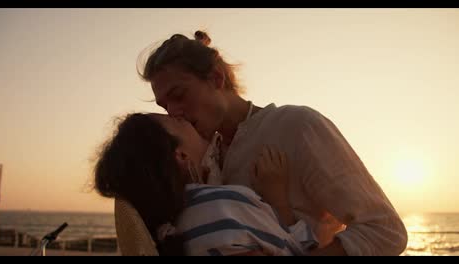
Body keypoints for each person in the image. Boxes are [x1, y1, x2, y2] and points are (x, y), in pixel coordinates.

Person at [136, 30, 408, 256]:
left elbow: (384, 231)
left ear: (216, 78)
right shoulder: (203, 156)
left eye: (179, 95)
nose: (173, 112)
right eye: (164, 105)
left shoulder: (296, 125)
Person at [93, 113, 318, 256]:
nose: (186, 119)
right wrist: (277, 197)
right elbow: (298, 249)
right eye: (180, 122)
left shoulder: (165, 229)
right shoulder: (225, 205)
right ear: (180, 156)